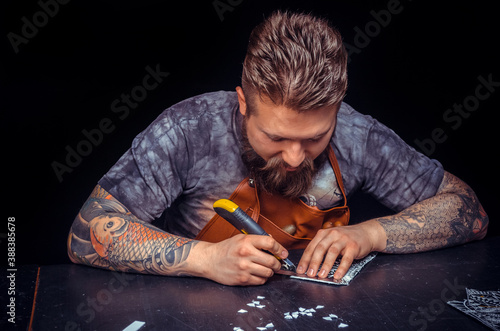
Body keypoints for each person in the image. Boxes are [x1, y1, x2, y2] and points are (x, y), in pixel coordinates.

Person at [67, 11, 488, 286]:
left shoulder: (359, 134)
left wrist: (371, 233)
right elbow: (88, 230)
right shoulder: (189, 128)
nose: (294, 157)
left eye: (315, 138)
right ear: (244, 103)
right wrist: (206, 259)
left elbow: (468, 211)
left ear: (336, 112)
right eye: (275, 137)